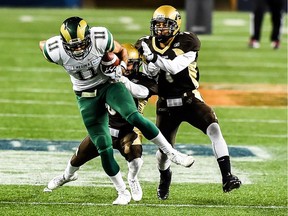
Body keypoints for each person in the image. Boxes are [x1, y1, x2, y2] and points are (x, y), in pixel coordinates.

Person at [39, 16, 194, 205]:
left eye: (82, 44)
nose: (79, 49)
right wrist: (49, 43)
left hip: (108, 83)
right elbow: (43, 45)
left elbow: (120, 51)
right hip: (85, 94)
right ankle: (122, 192)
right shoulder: (54, 50)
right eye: (74, 46)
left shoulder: (101, 36)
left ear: (89, 36)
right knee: (103, 147)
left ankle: (171, 153)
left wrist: (120, 67)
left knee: (133, 116)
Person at [136, 5, 241, 200]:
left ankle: (227, 176)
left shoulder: (188, 40)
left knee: (214, 129)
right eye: (157, 25)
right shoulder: (145, 43)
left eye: (165, 25)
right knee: (164, 152)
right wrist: (144, 65)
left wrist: (151, 57)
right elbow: (147, 73)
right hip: (165, 104)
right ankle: (164, 176)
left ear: (175, 25)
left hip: (189, 99)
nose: (160, 29)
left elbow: (174, 67)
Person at [43, 43, 158, 202]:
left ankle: (132, 179)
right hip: (106, 127)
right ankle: (66, 176)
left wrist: (120, 78)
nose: (129, 66)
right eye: (125, 62)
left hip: (129, 130)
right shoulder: (105, 76)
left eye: (132, 63)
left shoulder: (142, 80)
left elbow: (141, 92)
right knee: (77, 158)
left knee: (135, 156)